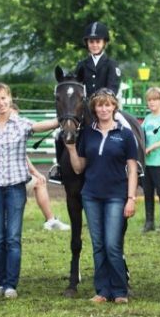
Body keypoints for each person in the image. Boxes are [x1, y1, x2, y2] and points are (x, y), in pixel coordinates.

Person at [0, 82, 59, 300]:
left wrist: (66, 117)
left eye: (4, 98)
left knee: (12, 237)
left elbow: (44, 125)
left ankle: (11, 284)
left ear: (10, 99)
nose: (1, 103)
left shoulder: (22, 124)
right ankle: (1, 283)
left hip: (15, 189)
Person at [65, 88, 138, 304]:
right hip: (91, 196)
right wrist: (70, 150)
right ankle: (102, 290)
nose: (104, 109)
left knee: (112, 244)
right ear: (94, 108)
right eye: (99, 105)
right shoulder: (87, 133)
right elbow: (79, 169)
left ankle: (120, 290)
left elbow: (132, 169)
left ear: (114, 107)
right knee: (97, 245)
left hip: (117, 196)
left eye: (108, 105)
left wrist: (131, 198)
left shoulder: (124, 134)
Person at [49, 21, 128, 182]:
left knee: (127, 127)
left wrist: (100, 103)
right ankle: (60, 169)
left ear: (104, 43)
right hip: (85, 110)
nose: (94, 45)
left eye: (97, 41)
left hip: (107, 108)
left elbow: (112, 88)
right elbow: (75, 85)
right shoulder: (82, 65)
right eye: (91, 42)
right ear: (87, 44)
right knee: (60, 134)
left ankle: (132, 165)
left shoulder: (111, 65)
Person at [8, 104, 69, 231]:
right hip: (2, 182)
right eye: (11, 115)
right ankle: (50, 219)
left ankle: (50, 220)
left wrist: (36, 173)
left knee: (39, 181)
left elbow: (23, 156)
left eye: (16, 116)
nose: (14, 119)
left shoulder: (18, 131)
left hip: (19, 178)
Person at [141, 87, 160, 233]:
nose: (152, 103)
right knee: (147, 192)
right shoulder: (147, 118)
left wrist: (151, 147)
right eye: (149, 100)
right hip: (147, 162)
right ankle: (149, 222)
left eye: (155, 100)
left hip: (159, 161)